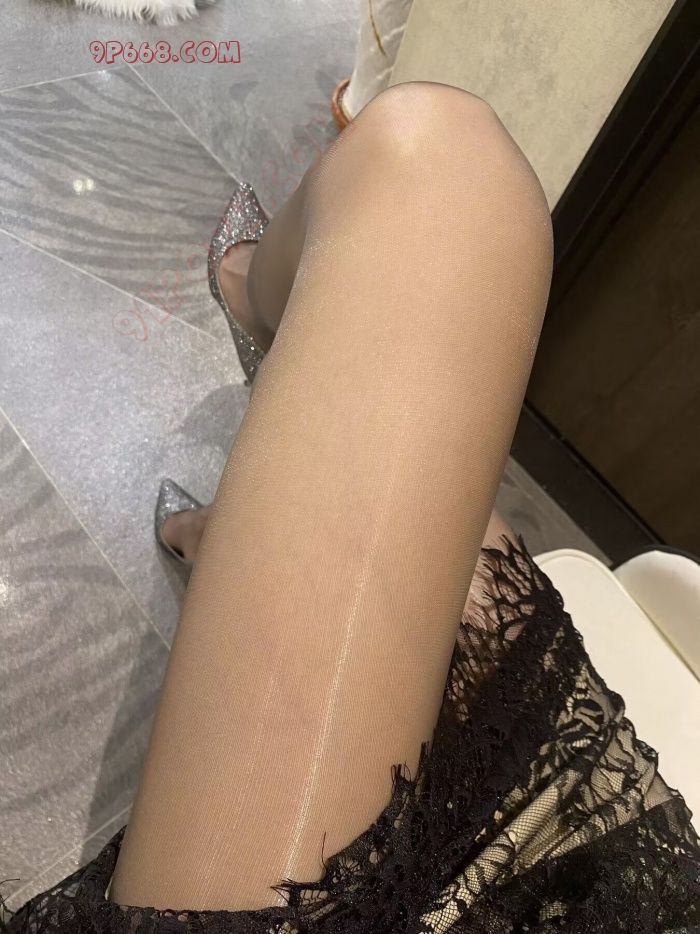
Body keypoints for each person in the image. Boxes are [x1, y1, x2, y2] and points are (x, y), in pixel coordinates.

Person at [6, 82, 699, 934]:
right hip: (598, 859)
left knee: (427, 163)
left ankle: (256, 319)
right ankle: (241, 455)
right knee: (437, 161)